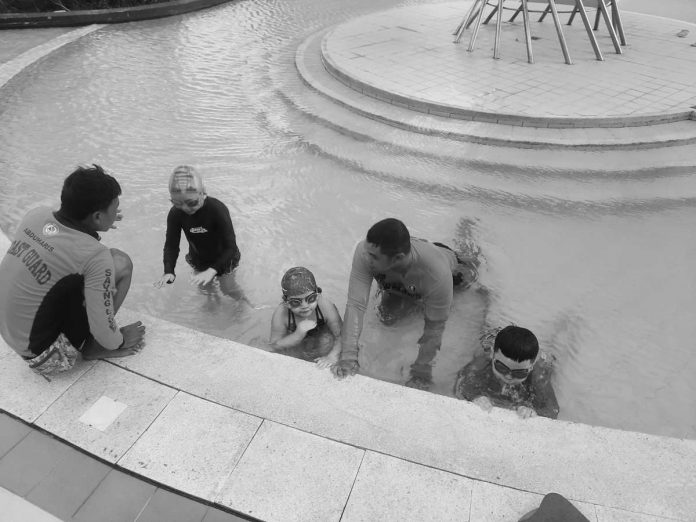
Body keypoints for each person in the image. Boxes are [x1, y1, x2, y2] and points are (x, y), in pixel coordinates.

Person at [0, 165, 146, 379]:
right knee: (121, 262)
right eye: (114, 208)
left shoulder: (36, 216)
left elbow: (66, 244)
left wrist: (100, 222)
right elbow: (102, 324)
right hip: (47, 358)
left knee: (68, 279)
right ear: (96, 217)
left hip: (9, 333)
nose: (116, 213)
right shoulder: (96, 257)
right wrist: (118, 342)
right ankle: (93, 346)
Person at [332, 218, 479, 390]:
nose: (366, 257)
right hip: (404, 276)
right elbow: (356, 305)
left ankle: (466, 231)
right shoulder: (365, 252)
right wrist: (348, 356)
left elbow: (435, 327)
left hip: (454, 272)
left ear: (398, 258)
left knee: (472, 267)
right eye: (367, 251)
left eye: (373, 256)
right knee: (387, 318)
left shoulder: (437, 274)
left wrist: (421, 371)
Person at [153, 166, 246, 301]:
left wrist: (212, 270)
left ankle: (243, 304)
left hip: (225, 259)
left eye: (192, 202)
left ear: (203, 193)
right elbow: (171, 246)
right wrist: (169, 270)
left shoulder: (217, 209)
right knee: (205, 289)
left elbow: (230, 247)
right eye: (178, 203)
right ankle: (212, 306)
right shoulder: (175, 214)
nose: (185, 208)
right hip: (199, 259)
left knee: (228, 289)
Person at [453, 325, 559, 419]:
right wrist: (476, 397)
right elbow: (461, 384)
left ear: (531, 367)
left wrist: (532, 410)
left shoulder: (538, 375)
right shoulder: (482, 363)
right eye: (501, 368)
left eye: (519, 373)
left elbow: (552, 410)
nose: (508, 376)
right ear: (492, 356)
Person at [269, 267, 342, 368]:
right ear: (286, 303)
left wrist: (332, 357)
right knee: (292, 355)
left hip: (322, 333)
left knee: (326, 341)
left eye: (310, 298)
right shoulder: (281, 314)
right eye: (296, 302)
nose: (305, 306)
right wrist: (297, 334)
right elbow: (274, 345)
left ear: (317, 294)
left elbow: (341, 335)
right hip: (295, 338)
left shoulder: (325, 306)